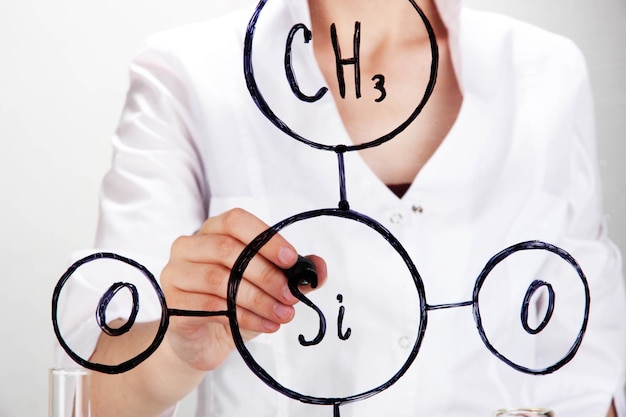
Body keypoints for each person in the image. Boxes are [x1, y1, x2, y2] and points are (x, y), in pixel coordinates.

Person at [55, 0, 626, 416]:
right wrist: (176, 346)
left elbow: (587, 378)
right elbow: (94, 400)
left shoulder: (547, 73)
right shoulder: (187, 74)